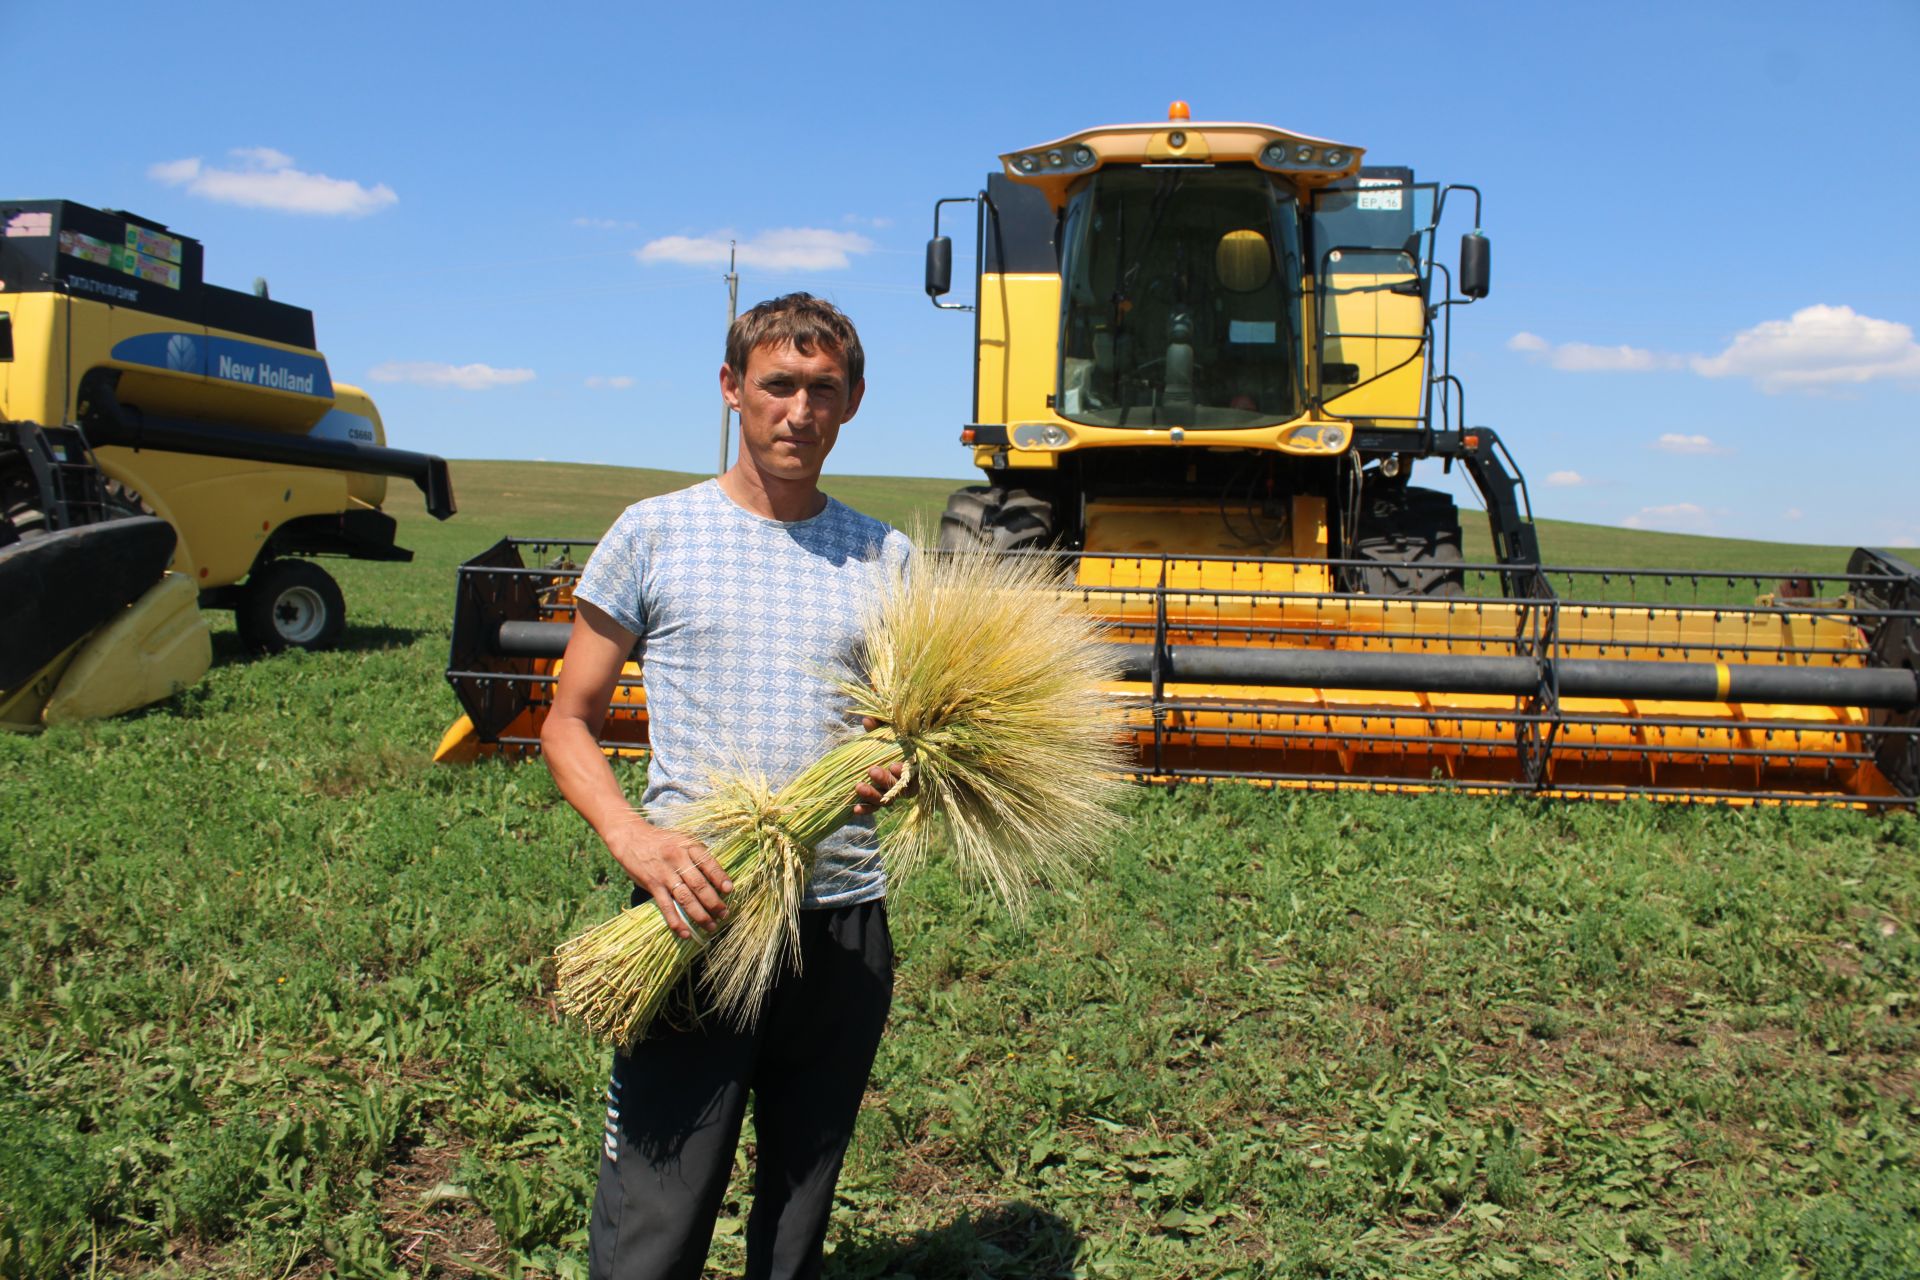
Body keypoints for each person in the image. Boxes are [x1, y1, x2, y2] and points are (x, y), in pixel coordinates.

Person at [542, 293, 912, 1280]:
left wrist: (896, 764)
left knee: (798, 1211)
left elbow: (898, 731)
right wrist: (637, 840)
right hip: (693, 910)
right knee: (656, 1212)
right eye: (778, 385)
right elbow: (564, 719)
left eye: (823, 389)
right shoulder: (655, 533)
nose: (800, 410)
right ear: (732, 390)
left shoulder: (890, 558)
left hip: (840, 920)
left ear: (853, 400)